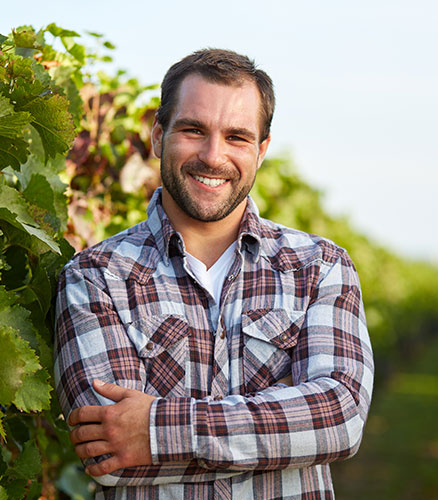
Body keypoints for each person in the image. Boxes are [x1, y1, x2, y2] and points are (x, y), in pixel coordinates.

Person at [54, 48, 374, 500]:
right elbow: (110, 459)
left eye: (237, 137)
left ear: (261, 151)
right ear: (158, 136)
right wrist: (286, 427)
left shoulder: (320, 267)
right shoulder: (94, 277)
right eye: (193, 130)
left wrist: (156, 429)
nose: (213, 155)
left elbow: (338, 419)